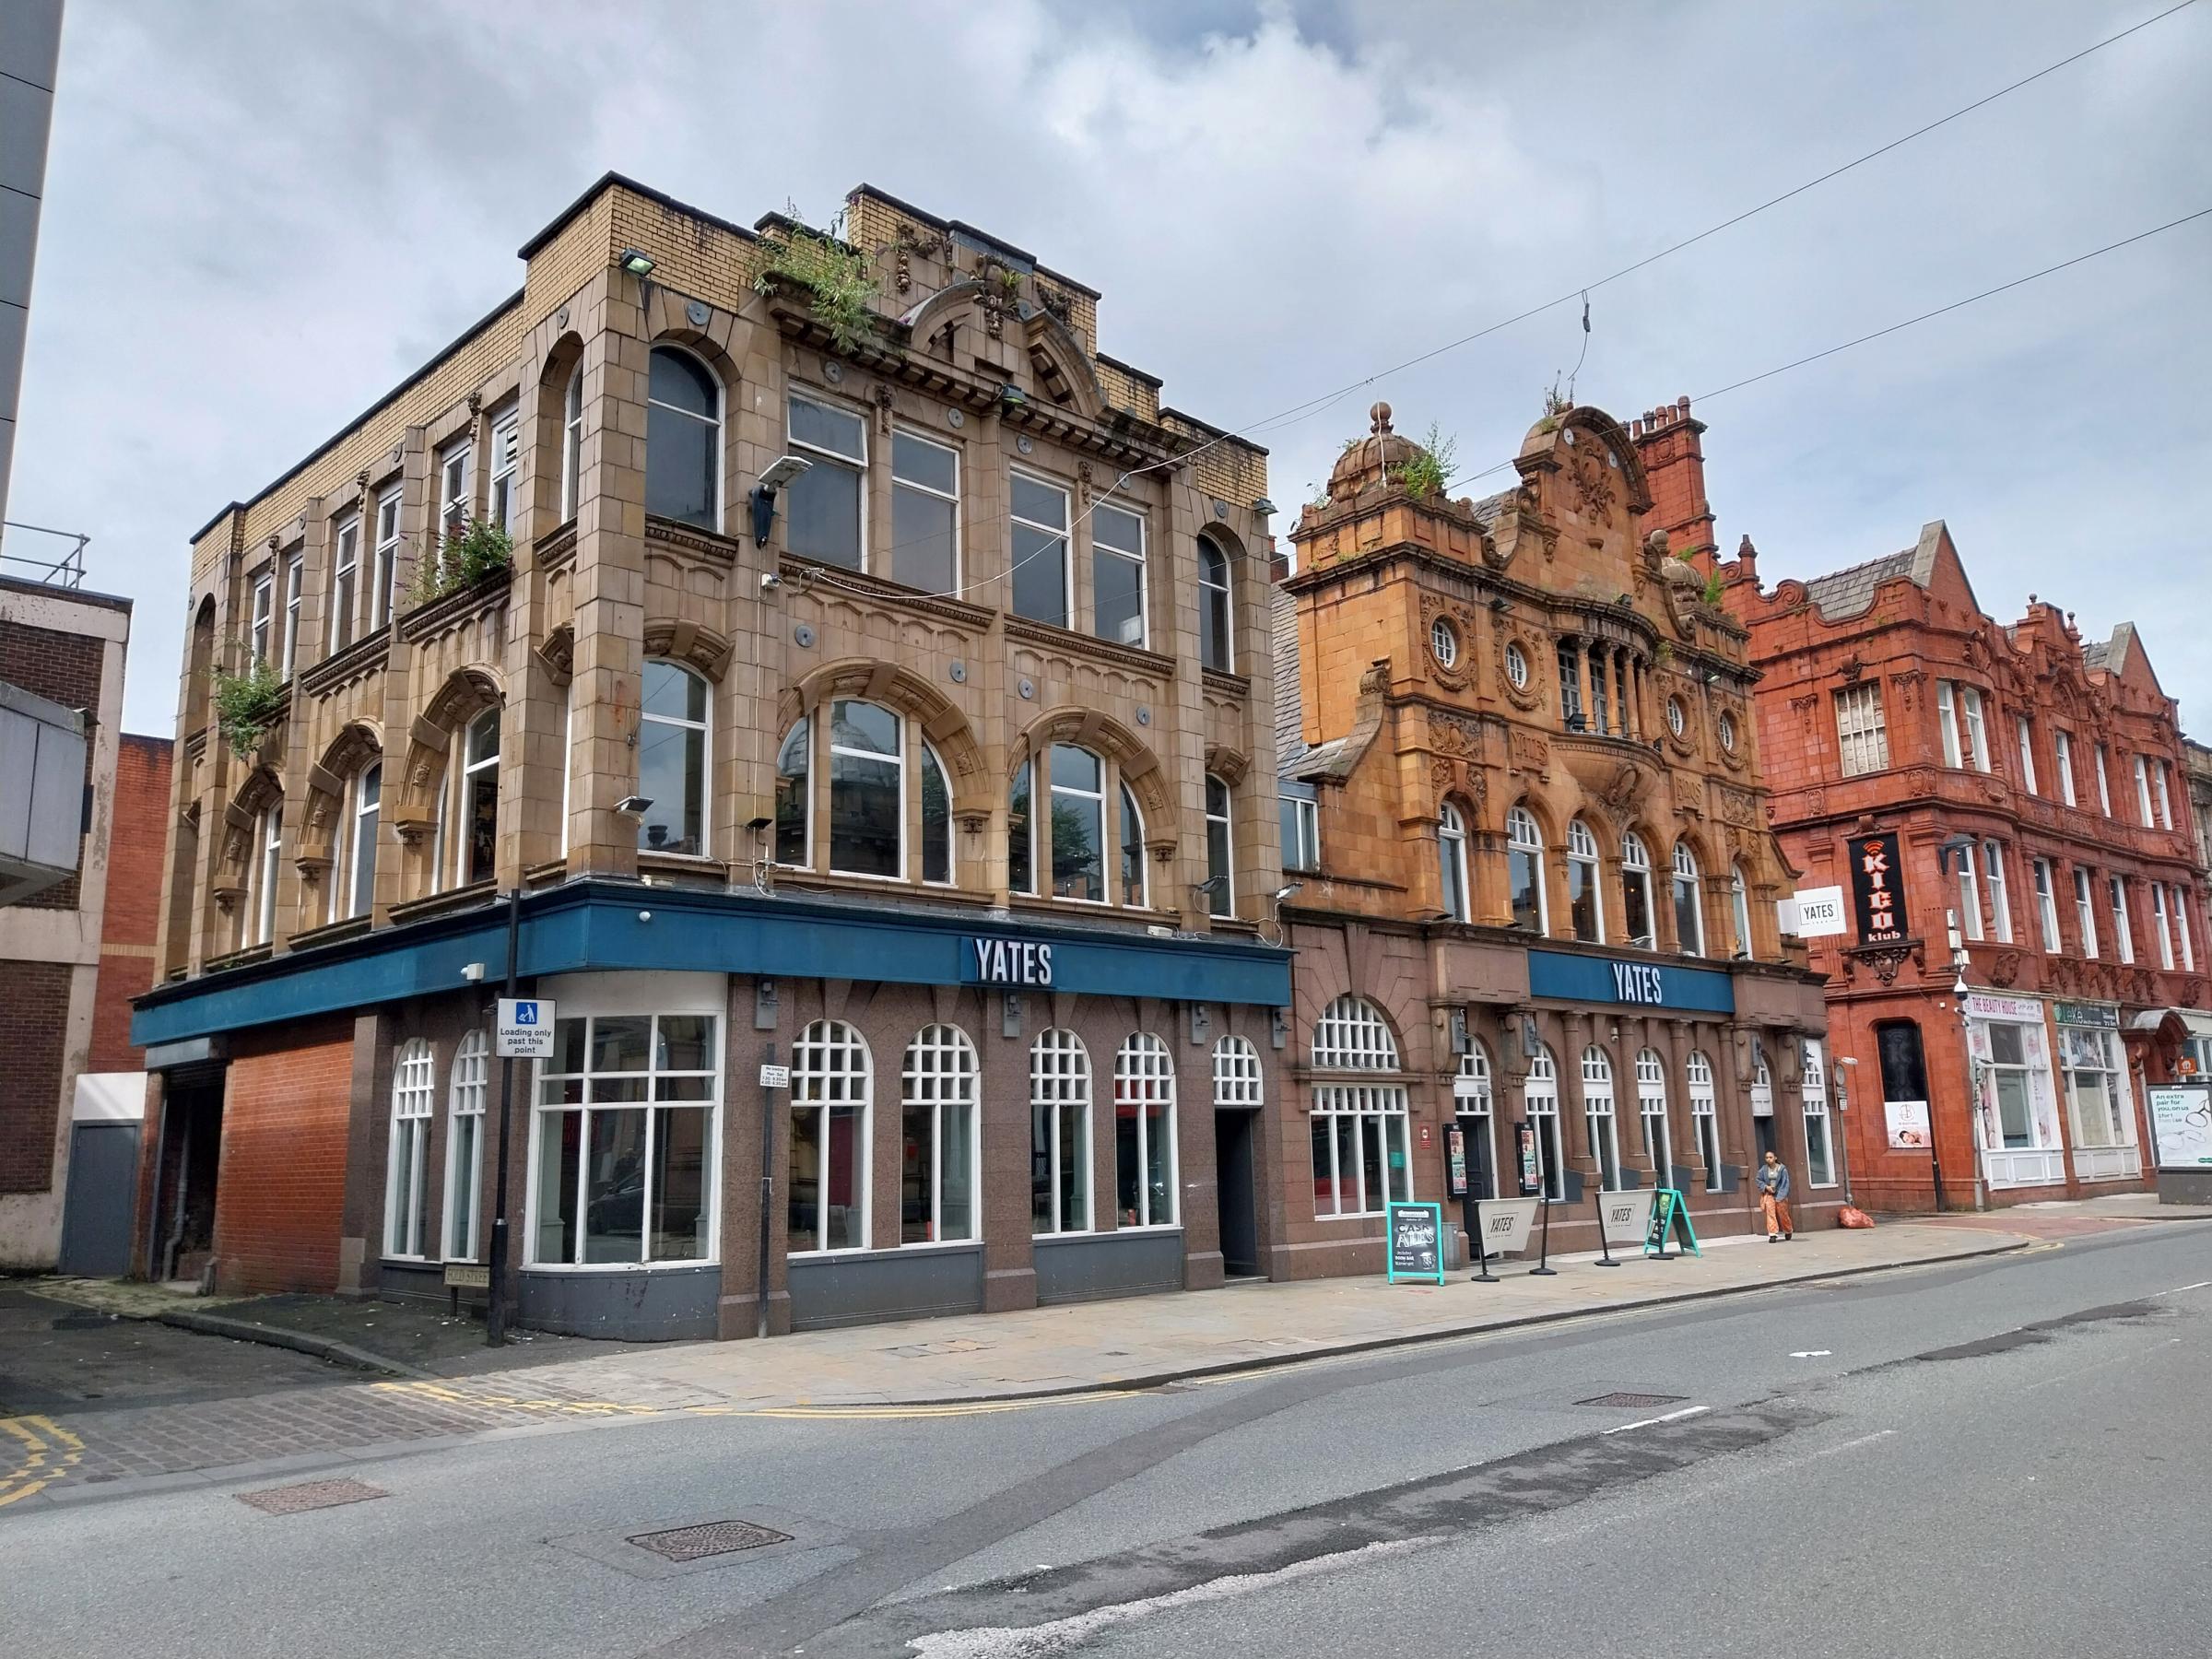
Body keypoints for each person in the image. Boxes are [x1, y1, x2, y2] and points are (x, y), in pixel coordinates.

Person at [1756, 1150, 1794, 1241]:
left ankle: (1788, 1230)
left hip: (1780, 1195)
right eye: (1767, 1158)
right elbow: (1758, 1180)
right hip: (1769, 1194)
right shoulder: (1764, 1169)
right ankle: (1772, 1234)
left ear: (1775, 1158)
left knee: (1783, 1214)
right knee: (1770, 1213)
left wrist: (1781, 1196)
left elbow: (1785, 1183)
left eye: (1770, 1157)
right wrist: (1766, 1187)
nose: (1768, 1159)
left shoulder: (1782, 1169)